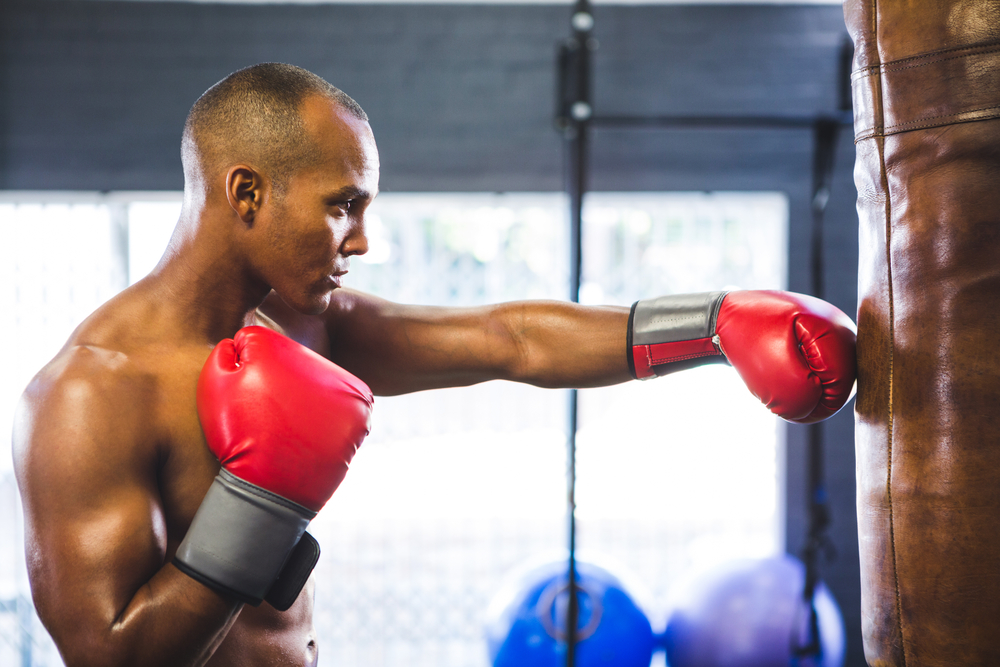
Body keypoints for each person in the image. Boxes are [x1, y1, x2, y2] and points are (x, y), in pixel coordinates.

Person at [11, 63, 856, 667]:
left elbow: (508, 338)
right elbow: (110, 656)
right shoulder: (92, 391)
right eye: (342, 206)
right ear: (246, 193)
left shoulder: (305, 326)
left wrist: (714, 324)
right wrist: (262, 500)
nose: (362, 239)